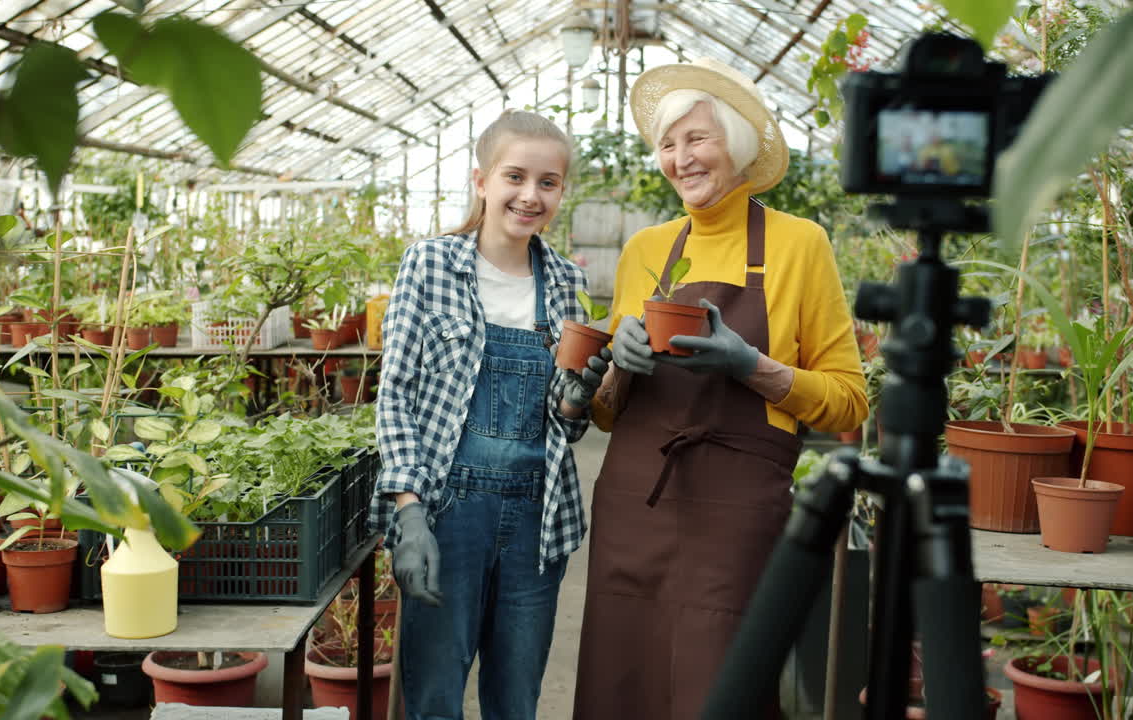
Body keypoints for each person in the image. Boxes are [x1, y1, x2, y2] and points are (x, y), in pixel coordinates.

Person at [572, 58, 869, 720]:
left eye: (697, 138)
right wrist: (617, 366)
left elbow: (849, 398)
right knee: (621, 683)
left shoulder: (799, 245)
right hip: (635, 504)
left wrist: (750, 364)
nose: (681, 158)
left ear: (734, 143)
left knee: (721, 685)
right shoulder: (645, 249)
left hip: (735, 511)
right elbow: (607, 416)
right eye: (669, 145)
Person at [370, 109, 611, 720]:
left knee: (515, 698)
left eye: (548, 182)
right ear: (482, 181)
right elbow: (396, 391)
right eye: (515, 177)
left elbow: (566, 422)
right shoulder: (430, 265)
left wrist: (578, 395)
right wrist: (410, 512)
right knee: (434, 696)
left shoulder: (563, 280)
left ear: (561, 190)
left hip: (537, 516)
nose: (530, 196)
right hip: (449, 513)